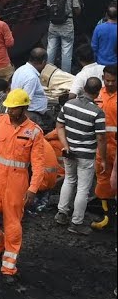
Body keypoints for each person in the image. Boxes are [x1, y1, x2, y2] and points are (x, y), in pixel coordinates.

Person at [0, 89, 53, 281]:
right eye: (8, 108)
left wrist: (33, 188)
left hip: (17, 183)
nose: (9, 111)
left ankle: (8, 267)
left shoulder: (34, 132)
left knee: (13, 224)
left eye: (14, 109)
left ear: (24, 108)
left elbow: (38, 164)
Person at [55, 77, 107, 235]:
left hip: (69, 152)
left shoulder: (68, 104)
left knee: (69, 180)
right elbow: (101, 138)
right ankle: (76, 222)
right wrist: (103, 159)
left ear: (84, 88)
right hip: (86, 155)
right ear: (97, 92)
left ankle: (62, 213)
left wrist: (66, 145)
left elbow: (59, 126)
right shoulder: (98, 112)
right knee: (83, 189)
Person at [92, 66, 118, 230]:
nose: (109, 83)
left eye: (113, 81)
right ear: (103, 78)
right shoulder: (97, 95)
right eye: (107, 80)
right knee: (103, 181)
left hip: (116, 147)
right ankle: (108, 218)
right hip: (101, 147)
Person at [46, 0, 82, 73]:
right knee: (66, 51)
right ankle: (65, 75)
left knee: (51, 49)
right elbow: (77, 11)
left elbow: (49, 7)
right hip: (67, 25)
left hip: (53, 25)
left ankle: (47, 73)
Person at [11, 48, 51, 127]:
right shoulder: (32, 77)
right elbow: (25, 101)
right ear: (43, 62)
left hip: (24, 112)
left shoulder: (20, 69)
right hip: (31, 115)